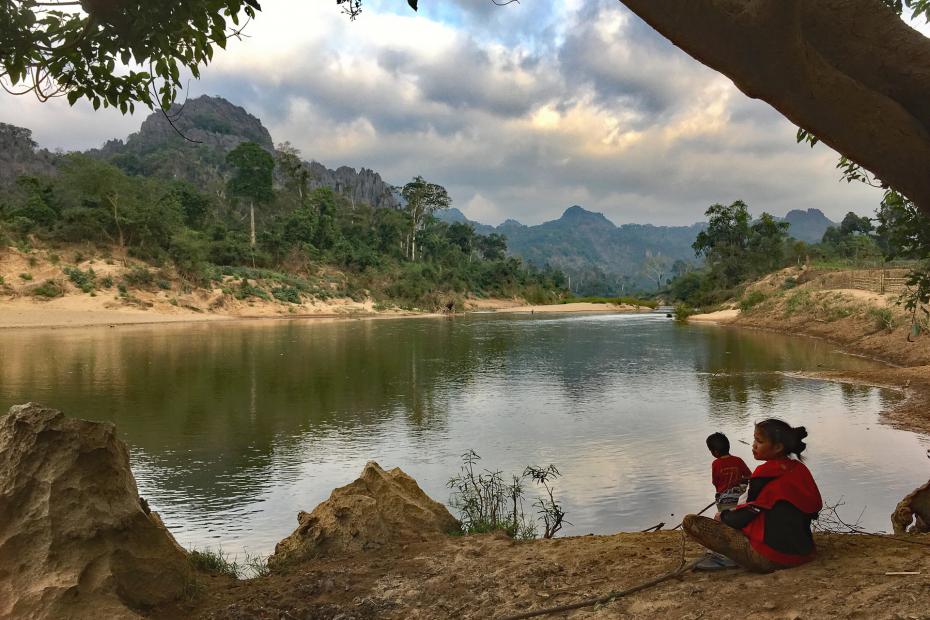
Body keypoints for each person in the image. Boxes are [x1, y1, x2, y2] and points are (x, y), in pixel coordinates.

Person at [684, 419, 823, 573]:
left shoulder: (764, 474)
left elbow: (744, 517)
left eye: (759, 441)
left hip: (770, 558)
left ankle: (727, 559)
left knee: (691, 522)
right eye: (754, 440)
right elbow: (813, 511)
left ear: (777, 447)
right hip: (805, 553)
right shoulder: (799, 469)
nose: (754, 445)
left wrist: (722, 517)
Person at [706, 432, 752, 514]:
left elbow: (715, 482)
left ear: (715, 452)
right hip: (740, 498)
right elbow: (749, 476)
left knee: (724, 518)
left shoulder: (716, 463)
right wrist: (740, 480)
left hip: (724, 500)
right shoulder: (738, 460)